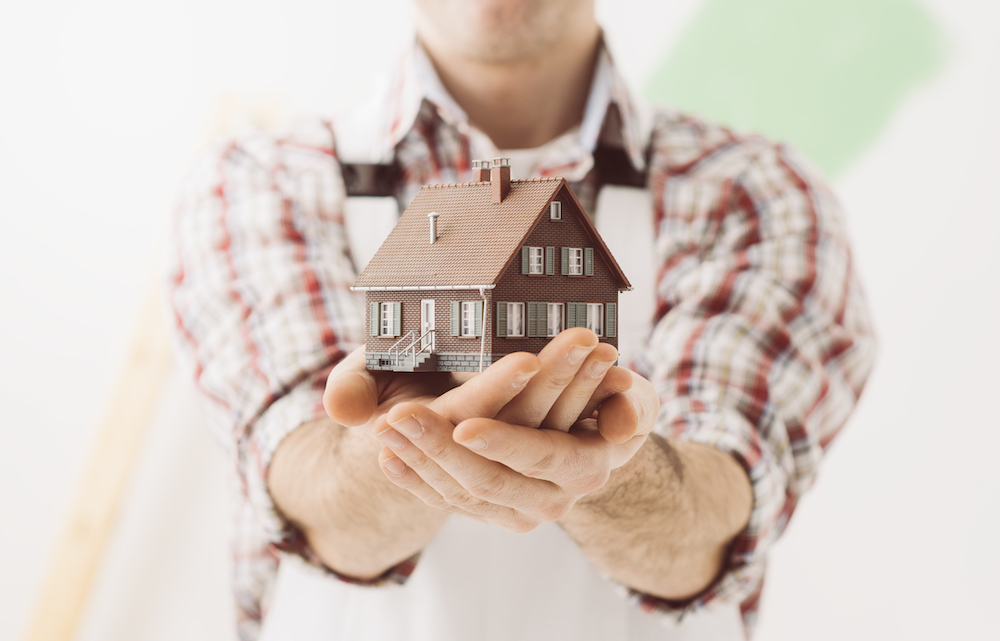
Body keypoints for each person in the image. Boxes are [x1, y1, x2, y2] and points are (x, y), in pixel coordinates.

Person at [166, 1, 876, 639]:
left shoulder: (754, 195)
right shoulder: (263, 182)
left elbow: (707, 527)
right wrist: (404, 440)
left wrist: (613, 463)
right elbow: (310, 500)